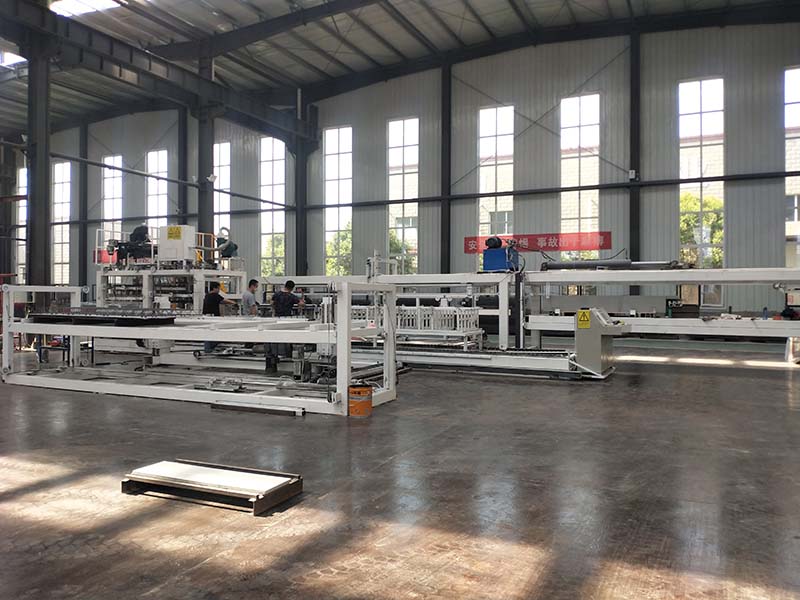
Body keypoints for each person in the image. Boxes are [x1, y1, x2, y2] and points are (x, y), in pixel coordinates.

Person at [266, 280, 306, 373]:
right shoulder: (291, 296)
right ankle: (286, 354)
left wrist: (275, 308)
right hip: (287, 320)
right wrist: (302, 301)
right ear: (292, 288)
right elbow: (301, 304)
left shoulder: (277, 294)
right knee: (286, 337)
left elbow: (271, 303)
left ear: (285, 286)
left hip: (276, 319)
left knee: (274, 338)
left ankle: (273, 359)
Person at [202, 282, 236, 353]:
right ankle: (209, 349)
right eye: (218, 289)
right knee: (216, 333)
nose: (219, 290)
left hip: (206, 317)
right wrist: (234, 303)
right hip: (213, 318)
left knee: (208, 334)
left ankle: (208, 348)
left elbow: (220, 302)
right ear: (215, 288)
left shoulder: (207, 295)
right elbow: (224, 300)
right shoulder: (214, 295)